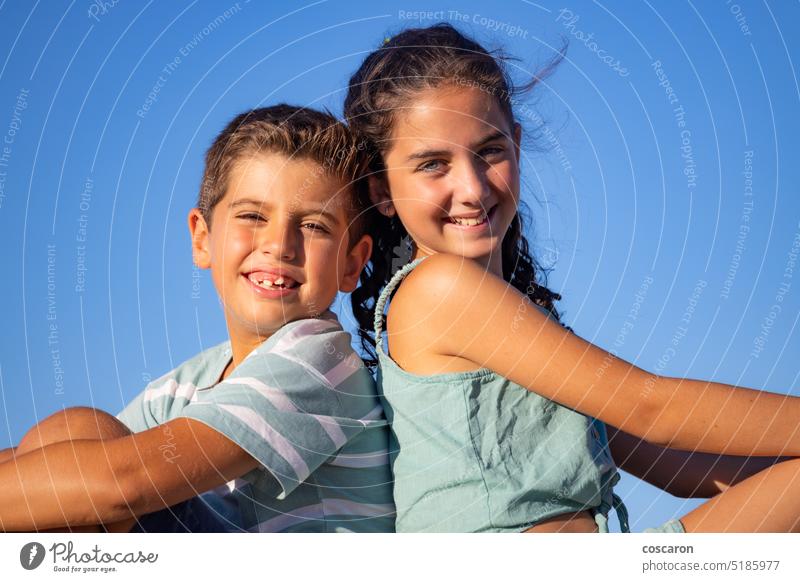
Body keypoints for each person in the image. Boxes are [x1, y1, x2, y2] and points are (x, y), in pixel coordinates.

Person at [344, 23, 800, 533]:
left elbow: (670, 464)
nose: (471, 188)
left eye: (489, 151)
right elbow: (649, 407)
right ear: (381, 189)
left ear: (516, 145)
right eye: (433, 164)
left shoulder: (515, 328)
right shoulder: (440, 289)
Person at [0, 105, 395, 533]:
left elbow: (121, 485)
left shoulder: (320, 363)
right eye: (252, 216)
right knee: (73, 438)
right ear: (202, 238)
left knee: (84, 460)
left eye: (315, 226)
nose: (280, 245)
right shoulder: (184, 387)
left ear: (351, 264)